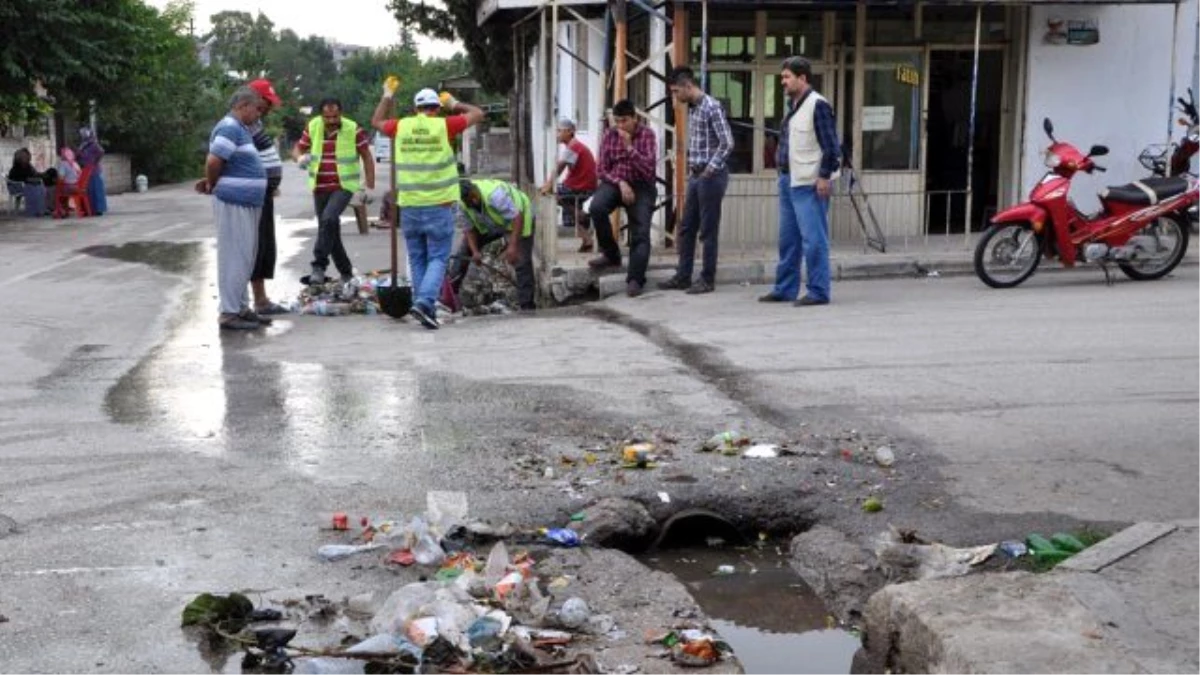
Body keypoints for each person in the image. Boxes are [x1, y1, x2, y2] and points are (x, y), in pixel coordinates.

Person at [372, 83, 484, 329]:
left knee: (418, 258)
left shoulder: (402, 125)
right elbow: (478, 113)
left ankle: (425, 307)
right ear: (437, 108)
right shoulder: (444, 125)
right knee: (438, 258)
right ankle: (424, 303)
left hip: (410, 206)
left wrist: (387, 95)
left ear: (415, 109)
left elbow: (377, 121)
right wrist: (455, 104)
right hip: (438, 204)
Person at [761, 56, 841, 307]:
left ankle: (818, 291)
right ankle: (785, 289)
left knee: (814, 240)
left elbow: (831, 147)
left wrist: (824, 177)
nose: (782, 82)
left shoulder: (818, 105)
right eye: (782, 77)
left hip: (810, 183)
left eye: (787, 77)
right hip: (788, 180)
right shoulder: (793, 106)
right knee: (788, 240)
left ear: (802, 78)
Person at [197, 86, 269, 331]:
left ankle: (241, 307)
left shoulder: (241, 129)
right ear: (243, 106)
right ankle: (229, 313)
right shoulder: (229, 127)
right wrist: (213, 183)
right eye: (256, 109)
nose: (258, 114)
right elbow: (214, 160)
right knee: (234, 256)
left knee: (245, 256)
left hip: (246, 201)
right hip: (233, 200)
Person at [659, 66, 733, 295]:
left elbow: (727, 142)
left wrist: (710, 169)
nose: (675, 96)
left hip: (711, 175)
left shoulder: (711, 107)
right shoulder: (692, 109)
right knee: (687, 226)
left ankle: (707, 279)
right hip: (696, 175)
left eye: (675, 91)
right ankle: (683, 276)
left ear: (688, 86)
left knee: (707, 230)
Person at [293, 97, 376, 286]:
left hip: (344, 185)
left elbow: (367, 156)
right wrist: (299, 158)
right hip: (319, 186)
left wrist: (369, 186)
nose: (331, 121)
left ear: (341, 113)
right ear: (321, 115)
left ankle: (318, 265)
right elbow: (298, 148)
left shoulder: (352, 128)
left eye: (335, 116)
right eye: (327, 117)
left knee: (328, 219)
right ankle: (346, 272)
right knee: (331, 231)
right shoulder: (313, 125)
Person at [587, 99, 658, 297]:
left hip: (642, 184)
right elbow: (601, 169)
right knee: (596, 207)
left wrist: (629, 148)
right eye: (617, 121)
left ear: (634, 118)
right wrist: (619, 182)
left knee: (640, 232)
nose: (620, 126)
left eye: (624, 121)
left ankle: (635, 278)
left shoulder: (647, 135)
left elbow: (649, 170)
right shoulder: (610, 135)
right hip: (617, 182)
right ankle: (611, 254)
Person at [245, 78, 288, 315]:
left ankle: (261, 299)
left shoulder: (256, 123)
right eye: (267, 102)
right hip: (253, 195)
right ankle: (255, 301)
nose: (270, 107)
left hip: (264, 193)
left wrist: (271, 183)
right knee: (256, 246)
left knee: (265, 246)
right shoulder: (241, 124)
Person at [459, 178, 537, 311]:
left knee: (521, 261)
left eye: (474, 197)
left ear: (475, 190)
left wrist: (512, 246)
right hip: (493, 223)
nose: (473, 201)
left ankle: (527, 306)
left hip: (519, 218)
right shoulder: (463, 204)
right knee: (463, 251)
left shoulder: (495, 195)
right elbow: (469, 230)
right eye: (469, 200)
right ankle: (451, 297)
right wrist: (475, 252)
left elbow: (518, 217)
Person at [539, 118, 598, 252]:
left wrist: (548, 185)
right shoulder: (575, 146)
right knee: (568, 205)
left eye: (560, 131)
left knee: (553, 193)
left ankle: (581, 216)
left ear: (570, 131)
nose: (557, 134)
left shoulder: (574, 146)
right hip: (582, 185)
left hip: (581, 186)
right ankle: (586, 237)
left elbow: (559, 167)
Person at [77, 128, 108, 215]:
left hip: (94, 171)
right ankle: (89, 209)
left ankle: (98, 210)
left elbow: (101, 152)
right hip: (85, 170)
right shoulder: (82, 145)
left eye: (84, 134)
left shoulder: (93, 144)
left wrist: (95, 161)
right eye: (81, 134)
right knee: (88, 191)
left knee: (96, 191)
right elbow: (78, 155)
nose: (82, 136)